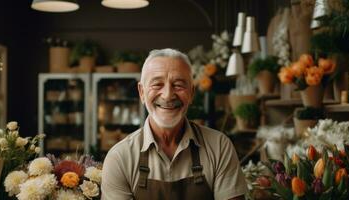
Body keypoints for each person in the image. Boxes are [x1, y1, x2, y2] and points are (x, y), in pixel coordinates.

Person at [101, 48, 247, 200]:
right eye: (157, 84)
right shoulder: (120, 157)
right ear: (142, 92)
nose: (168, 95)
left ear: (191, 93)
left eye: (178, 85)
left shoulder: (219, 146)